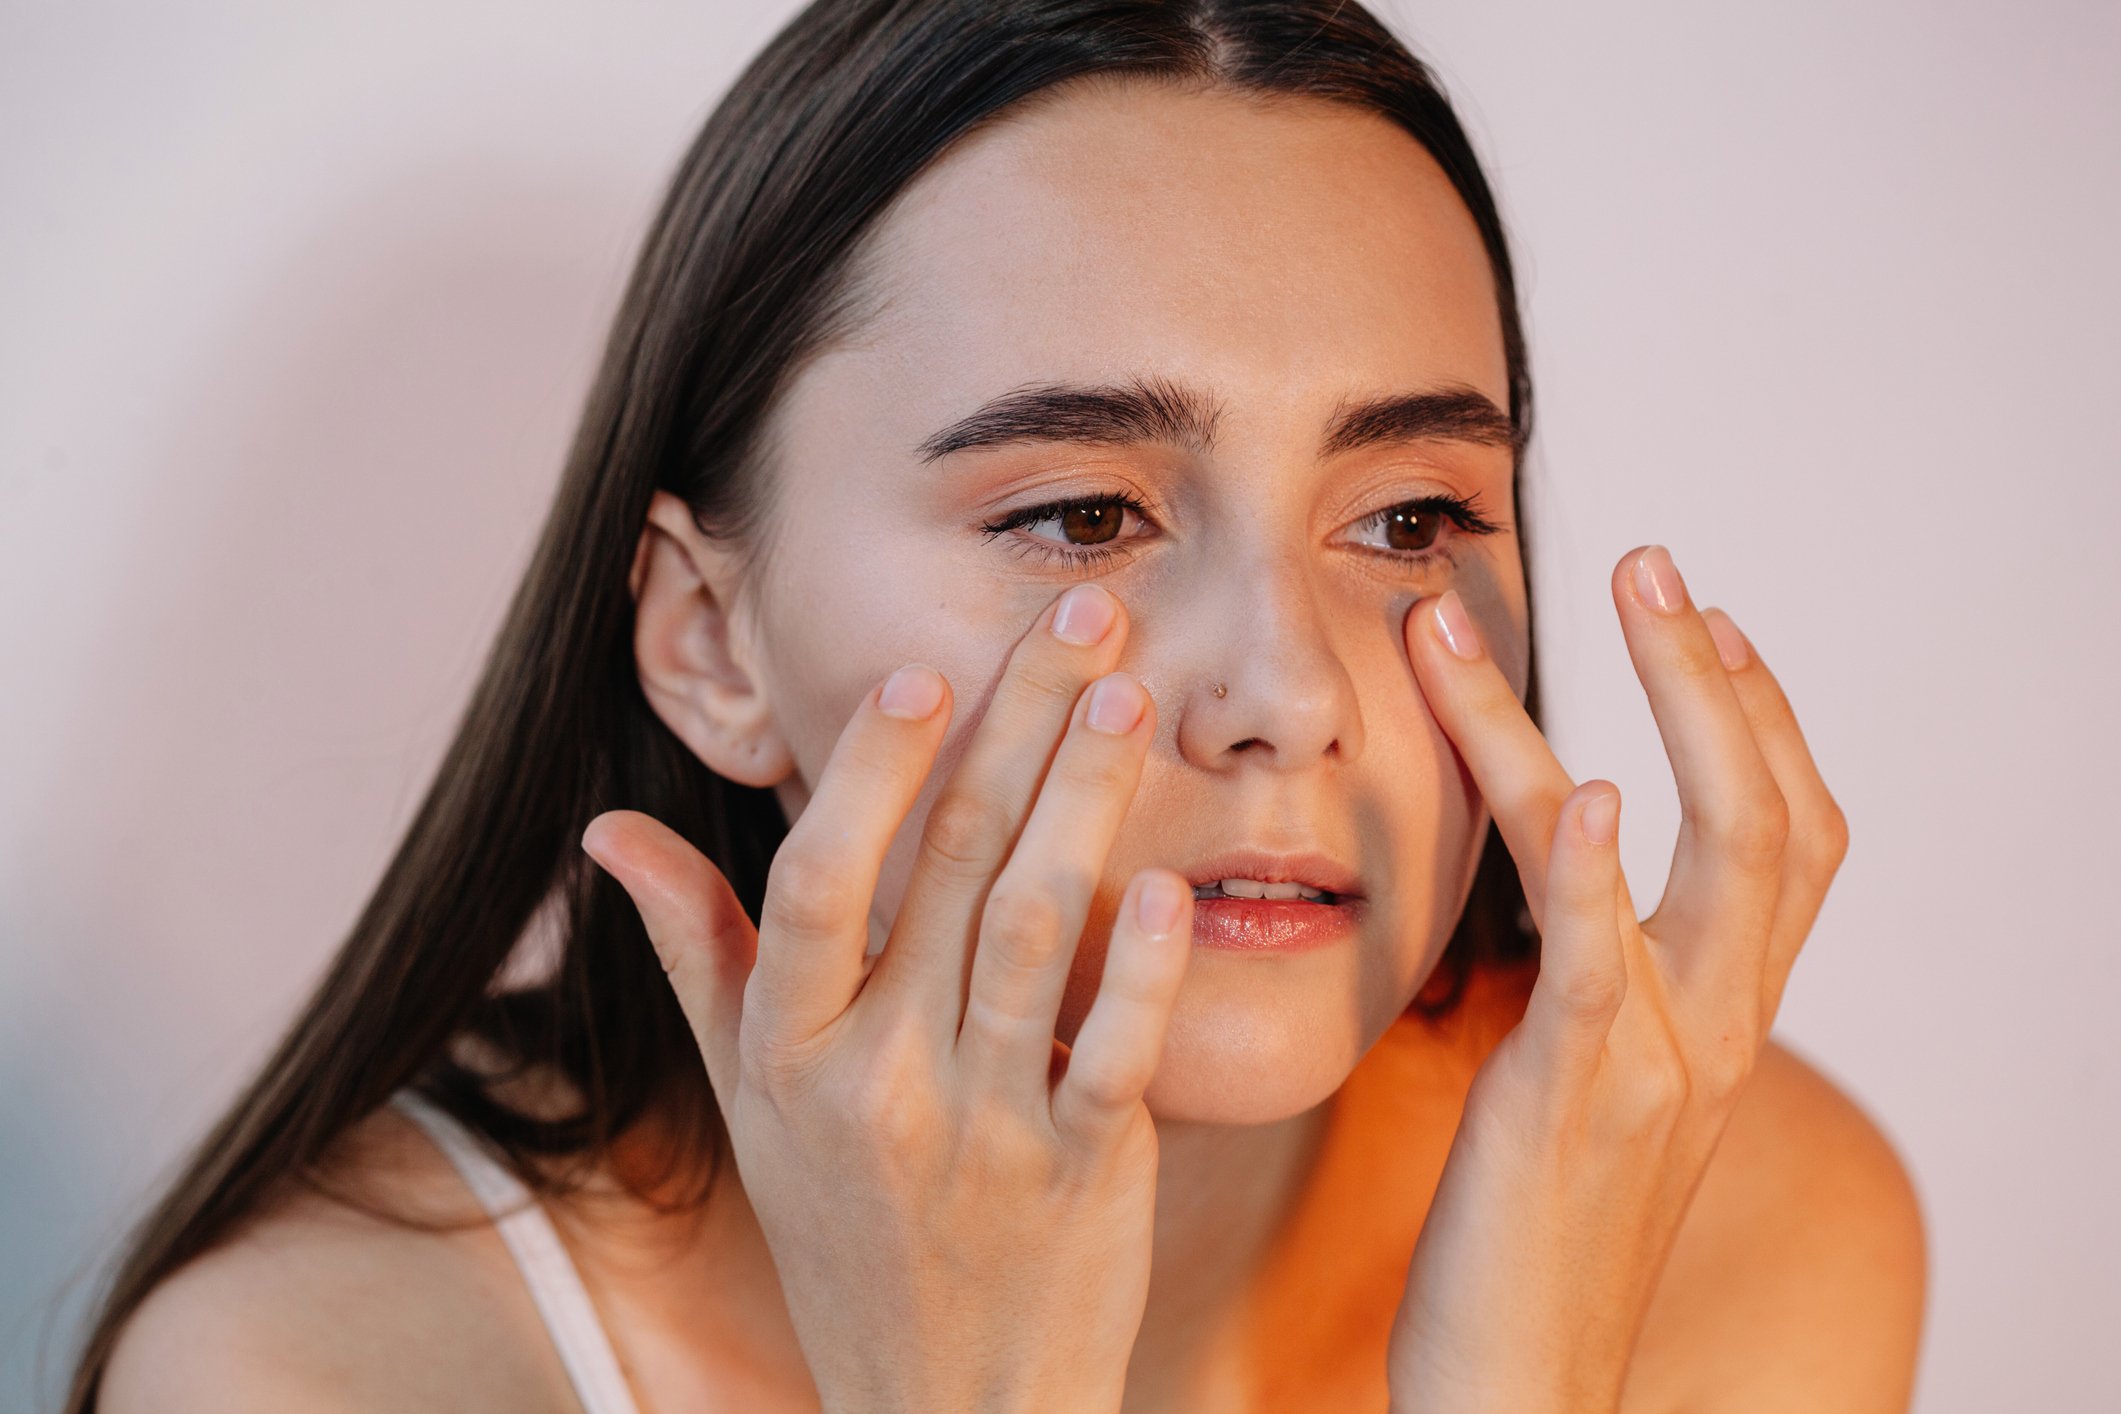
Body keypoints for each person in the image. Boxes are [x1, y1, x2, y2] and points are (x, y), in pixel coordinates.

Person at [70, 2, 1928, 1410]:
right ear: (711, 642)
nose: (1285, 693)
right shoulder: (317, 1367)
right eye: (1079, 516)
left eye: (1409, 516)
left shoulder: (1740, 1220)